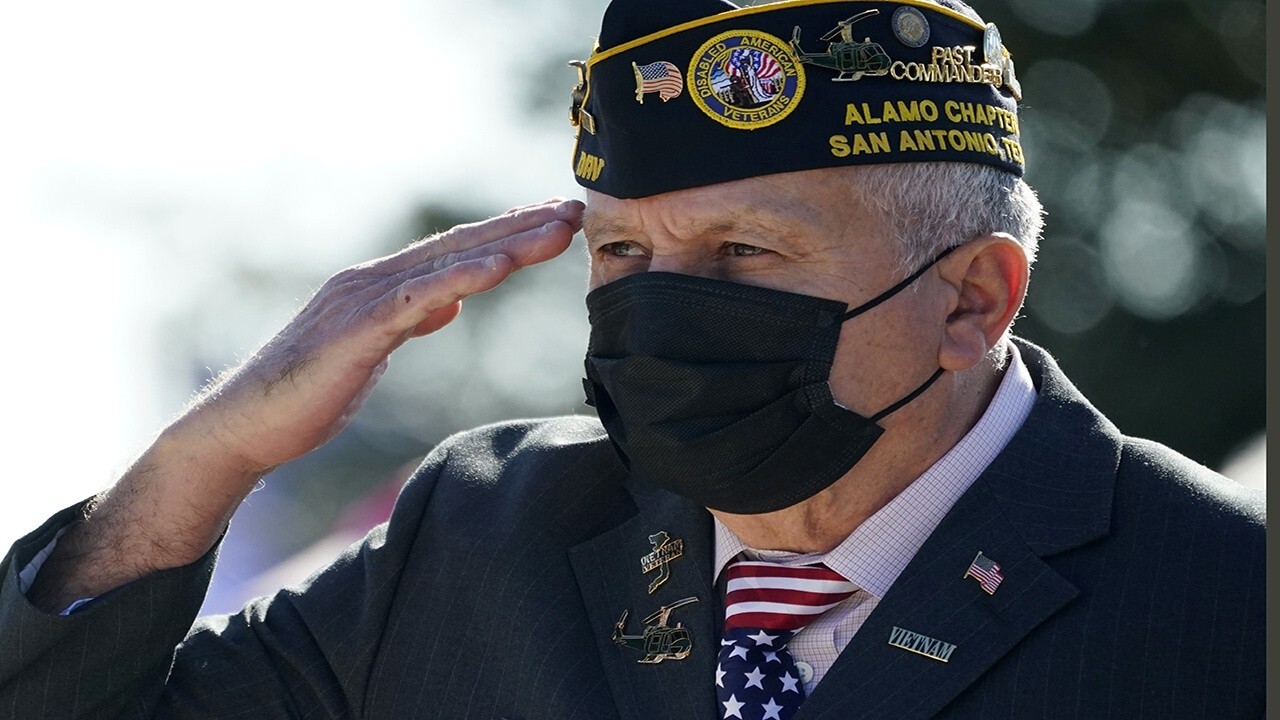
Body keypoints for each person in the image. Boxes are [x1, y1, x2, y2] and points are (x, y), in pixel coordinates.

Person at [0, 0, 1263, 718]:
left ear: (969, 298)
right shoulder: (484, 536)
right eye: (617, 256)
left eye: (742, 253)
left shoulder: (1224, 606)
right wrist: (214, 454)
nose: (662, 312)